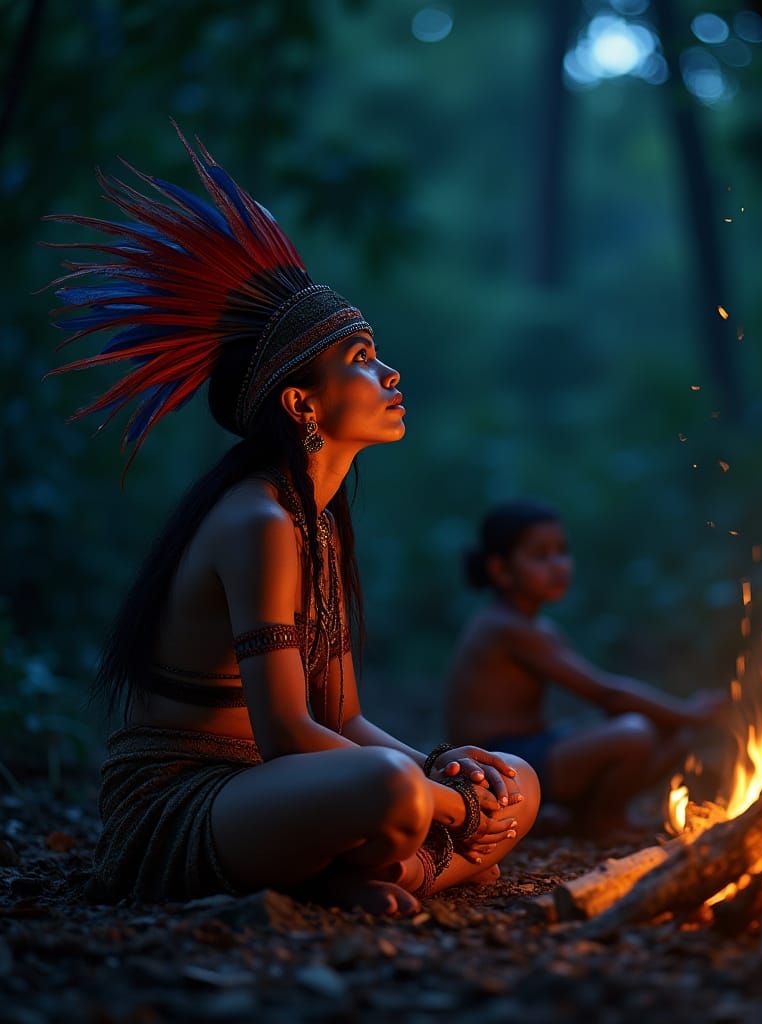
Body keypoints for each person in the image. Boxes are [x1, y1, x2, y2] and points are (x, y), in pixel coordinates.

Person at [43, 124, 539, 915]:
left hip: (282, 791)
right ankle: (393, 872)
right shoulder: (259, 522)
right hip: (188, 804)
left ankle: (361, 877)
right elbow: (285, 734)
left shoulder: (319, 522)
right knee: (393, 790)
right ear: (302, 402)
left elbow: (340, 717)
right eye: (361, 359)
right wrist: (446, 802)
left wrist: (445, 766)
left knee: (516, 779)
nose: (389, 373)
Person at [446, 501, 726, 839]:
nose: (558, 565)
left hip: (532, 751)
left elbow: (604, 696)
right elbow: (607, 694)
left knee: (673, 735)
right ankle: (603, 820)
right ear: (501, 570)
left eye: (562, 551)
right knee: (635, 732)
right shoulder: (505, 627)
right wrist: (689, 712)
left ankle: (577, 815)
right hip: (496, 769)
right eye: (541, 556)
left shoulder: (537, 627)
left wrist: (681, 718)